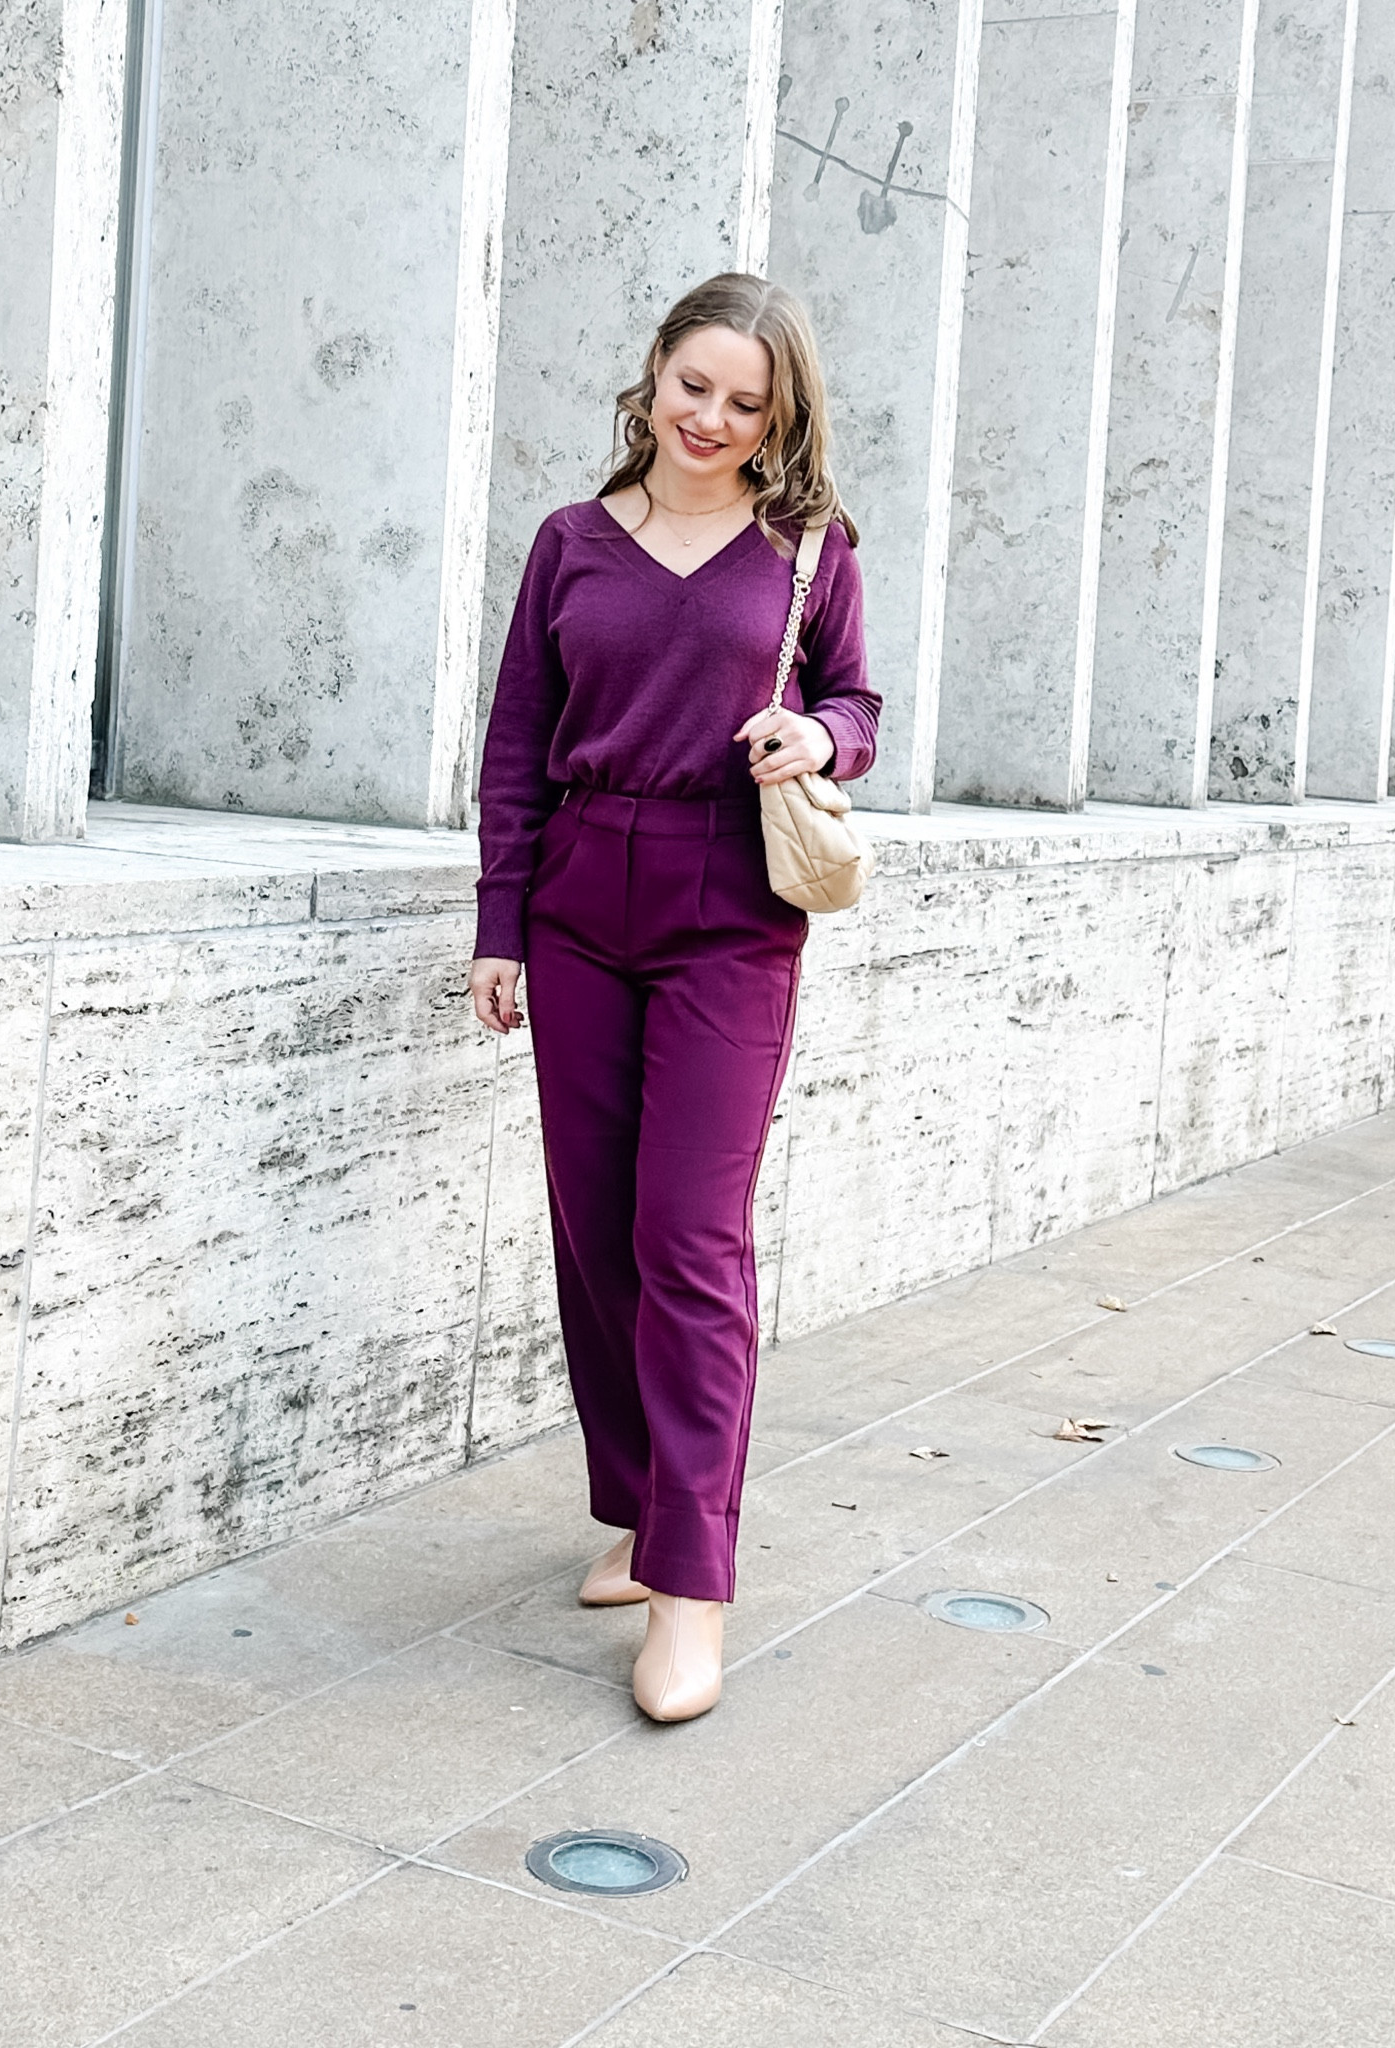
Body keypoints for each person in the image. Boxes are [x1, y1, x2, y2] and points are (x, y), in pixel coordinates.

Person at [469, 272, 880, 1722]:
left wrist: (814, 734)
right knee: (595, 1226)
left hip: (728, 910)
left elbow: (863, 708)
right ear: (651, 376)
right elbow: (518, 739)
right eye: (693, 385)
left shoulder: (805, 547)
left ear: (780, 417)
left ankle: (693, 1586)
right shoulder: (571, 543)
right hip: (579, 901)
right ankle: (640, 1514)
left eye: (745, 401)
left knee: (688, 1234)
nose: (711, 418)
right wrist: (498, 926)